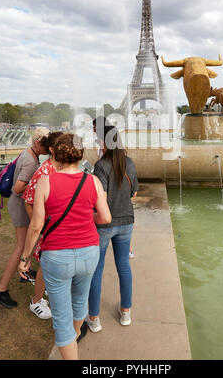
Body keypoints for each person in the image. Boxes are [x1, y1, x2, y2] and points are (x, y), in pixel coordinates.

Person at [18, 133, 111, 360]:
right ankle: (75, 336)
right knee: (80, 303)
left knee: (61, 316)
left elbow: (36, 225)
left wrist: (25, 257)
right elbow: (105, 217)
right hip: (89, 252)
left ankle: (70, 344)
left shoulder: (46, 182)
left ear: (56, 153)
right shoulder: (93, 181)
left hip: (57, 256)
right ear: (80, 154)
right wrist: (90, 221)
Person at [86, 126, 138, 333]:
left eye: (99, 141)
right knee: (124, 266)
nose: (98, 143)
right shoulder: (130, 163)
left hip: (105, 224)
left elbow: (101, 198)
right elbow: (134, 193)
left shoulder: (101, 166)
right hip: (126, 221)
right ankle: (126, 311)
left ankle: (94, 317)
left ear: (106, 143)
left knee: (96, 271)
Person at [0, 127, 49, 308]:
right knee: (21, 247)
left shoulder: (28, 153)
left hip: (18, 205)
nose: (48, 149)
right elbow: (18, 188)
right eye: (45, 144)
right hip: (20, 206)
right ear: (37, 142)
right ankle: (0, 290)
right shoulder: (31, 161)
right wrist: (39, 185)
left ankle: (25, 272)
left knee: (24, 245)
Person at [22, 131, 63, 320]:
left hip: (57, 226)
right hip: (49, 227)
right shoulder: (44, 171)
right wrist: (40, 227)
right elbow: (28, 200)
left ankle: (43, 293)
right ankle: (36, 301)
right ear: (53, 150)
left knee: (52, 266)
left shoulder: (60, 168)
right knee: (45, 266)